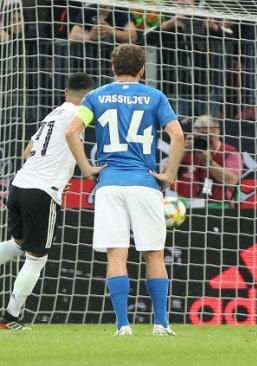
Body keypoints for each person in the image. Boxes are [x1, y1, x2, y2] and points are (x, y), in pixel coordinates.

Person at [65, 44, 185, 336]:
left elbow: (71, 131)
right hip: (144, 184)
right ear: (142, 69)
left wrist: (87, 168)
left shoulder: (94, 96)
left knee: (117, 255)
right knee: (154, 253)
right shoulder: (155, 96)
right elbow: (178, 135)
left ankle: (123, 325)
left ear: (112, 68)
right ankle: (161, 324)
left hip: (109, 184)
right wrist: (168, 174)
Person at [0, 73, 95, 330]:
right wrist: (82, 170)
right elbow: (71, 139)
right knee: (36, 257)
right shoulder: (79, 115)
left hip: (20, 185)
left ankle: (10, 316)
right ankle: (11, 317)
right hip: (41, 191)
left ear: (66, 92)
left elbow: (27, 152)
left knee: (18, 244)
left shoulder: (52, 114)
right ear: (89, 96)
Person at [175, 114, 242, 208]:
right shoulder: (186, 150)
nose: (205, 140)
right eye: (200, 136)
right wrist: (182, 151)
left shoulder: (230, 152)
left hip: (219, 207)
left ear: (217, 133)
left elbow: (233, 180)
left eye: (208, 136)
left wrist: (209, 163)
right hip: (186, 205)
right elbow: (165, 173)